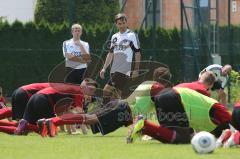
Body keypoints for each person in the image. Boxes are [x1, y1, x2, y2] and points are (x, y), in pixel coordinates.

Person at [37, 67, 172, 137]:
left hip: (120, 105)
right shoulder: (157, 87)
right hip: (123, 110)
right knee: (88, 119)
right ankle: (53, 121)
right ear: (165, 80)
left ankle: (51, 121)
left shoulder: (147, 83)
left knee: (88, 119)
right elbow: (162, 107)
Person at [127, 83, 233, 144]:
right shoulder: (225, 116)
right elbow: (229, 129)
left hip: (172, 97)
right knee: (181, 138)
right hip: (175, 98)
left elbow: (195, 135)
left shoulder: (219, 122)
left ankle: (144, 128)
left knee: (180, 137)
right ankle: (144, 126)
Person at [14, 78, 97, 135]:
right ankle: (26, 124)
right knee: (50, 130)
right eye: (91, 89)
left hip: (33, 98)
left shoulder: (70, 91)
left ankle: (24, 123)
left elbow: (63, 114)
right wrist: (88, 126)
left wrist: (72, 131)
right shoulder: (79, 92)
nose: (92, 93)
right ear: (83, 87)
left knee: (28, 129)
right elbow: (80, 114)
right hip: (43, 100)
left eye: (93, 91)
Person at [99, 13, 141, 104]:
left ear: (126, 22)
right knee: (116, 96)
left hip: (123, 70)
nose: (122, 25)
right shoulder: (114, 37)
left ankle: (103, 111)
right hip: (113, 70)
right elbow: (110, 54)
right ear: (116, 24)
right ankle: (121, 114)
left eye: (123, 22)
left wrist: (136, 69)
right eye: (119, 23)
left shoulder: (131, 35)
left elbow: (137, 52)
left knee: (106, 90)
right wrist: (104, 68)